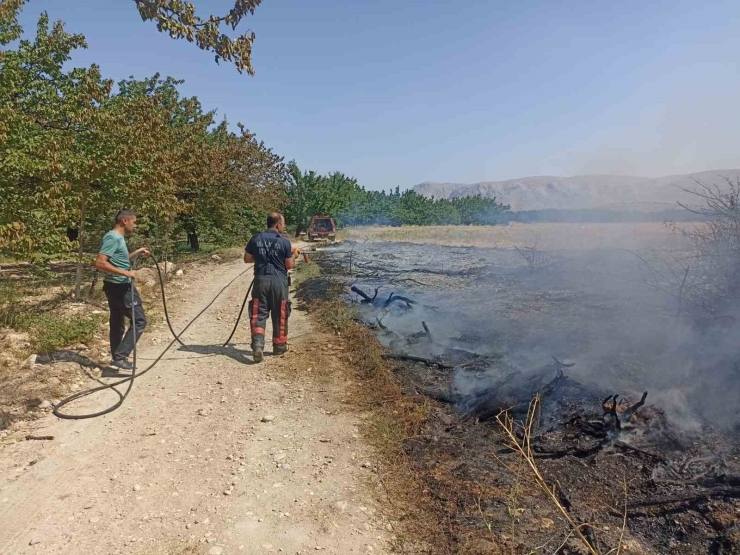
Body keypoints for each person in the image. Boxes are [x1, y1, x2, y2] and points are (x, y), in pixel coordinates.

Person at [94, 210, 150, 371]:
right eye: (134, 222)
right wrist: (127, 273)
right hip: (121, 286)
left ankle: (117, 358)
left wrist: (137, 252)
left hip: (115, 286)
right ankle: (120, 356)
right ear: (125, 221)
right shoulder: (113, 237)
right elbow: (100, 263)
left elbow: (120, 261)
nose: (135, 225)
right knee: (139, 321)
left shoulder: (118, 238)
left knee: (118, 322)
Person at [244, 212, 296, 362]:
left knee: (258, 314)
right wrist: (294, 255)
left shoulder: (256, 238)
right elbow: (289, 265)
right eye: (283, 224)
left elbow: (247, 259)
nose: (284, 227)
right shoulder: (284, 242)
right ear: (278, 224)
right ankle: (279, 348)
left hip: (260, 281)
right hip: (279, 282)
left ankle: (258, 346)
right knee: (280, 314)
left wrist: (260, 257)